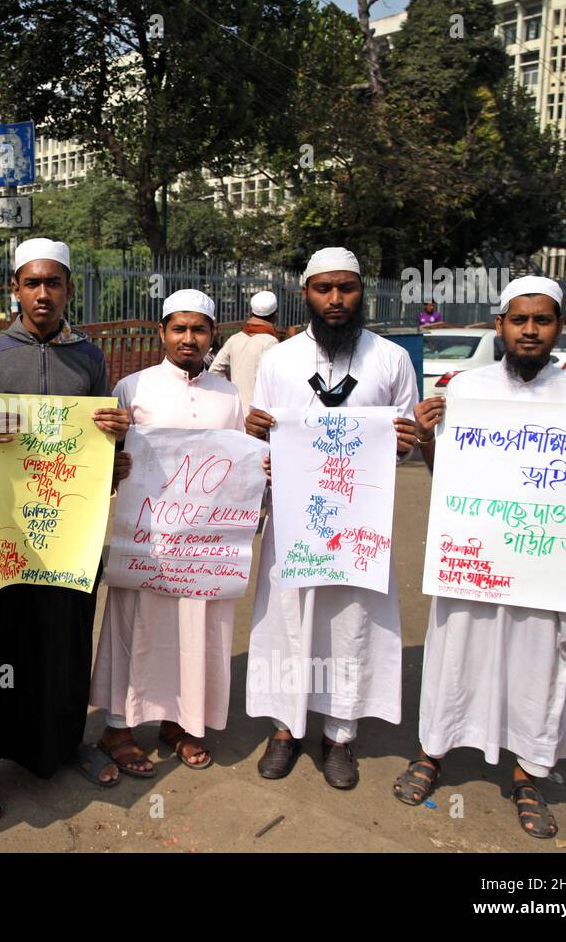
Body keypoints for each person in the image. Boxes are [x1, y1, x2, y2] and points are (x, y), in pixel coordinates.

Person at [397, 275, 566, 839]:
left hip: (544, 566)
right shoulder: (466, 389)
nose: (530, 331)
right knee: (454, 655)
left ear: (559, 327)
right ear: (501, 326)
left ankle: (527, 773)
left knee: (538, 666)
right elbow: (448, 481)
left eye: (542, 321)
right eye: (520, 320)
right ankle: (432, 752)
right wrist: (425, 439)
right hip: (474, 560)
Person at [0, 237, 132, 820]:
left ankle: (63, 742)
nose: (42, 293)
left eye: (53, 283)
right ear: (14, 289)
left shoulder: (88, 357)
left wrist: (116, 436)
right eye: (32, 283)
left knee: (65, 638)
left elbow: (100, 439)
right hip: (3, 532)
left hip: (71, 532)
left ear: (67, 290)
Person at [244, 247, 418, 790]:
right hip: (294, 522)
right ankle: (284, 728)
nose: (336, 299)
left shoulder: (390, 359)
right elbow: (262, 434)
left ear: (361, 291)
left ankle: (340, 734)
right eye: (325, 289)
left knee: (350, 624)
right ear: (307, 295)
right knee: (287, 623)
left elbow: (405, 444)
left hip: (359, 525)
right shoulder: (278, 360)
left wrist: (407, 443)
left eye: (347, 288)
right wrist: (256, 436)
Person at [89, 289, 252, 776]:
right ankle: (118, 728)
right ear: (162, 333)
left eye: (198, 329)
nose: (188, 338)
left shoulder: (230, 395)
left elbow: (242, 465)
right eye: (178, 329)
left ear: (212, 335)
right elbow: (104, 458)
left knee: (197, 629)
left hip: (206, 546)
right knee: (136, 627)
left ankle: (180, 724)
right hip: (148, 542)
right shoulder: (132, 388)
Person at [209, 290, 281, 409]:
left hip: (235, 409)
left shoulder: (234, 339)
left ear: (250, 313)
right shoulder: (271, 342)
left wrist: (231, 391)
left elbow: (214, 370)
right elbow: (267, 380)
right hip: (259, 413)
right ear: (275, 316)